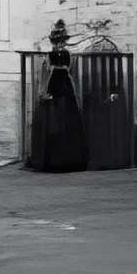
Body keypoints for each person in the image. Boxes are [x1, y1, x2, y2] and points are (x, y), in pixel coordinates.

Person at [27, 20, 89, 173]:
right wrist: (44, 92)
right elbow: (46, 73)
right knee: (54, 121)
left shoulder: (68, 55)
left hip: (65, 88)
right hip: (54, 86)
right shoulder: (50, 56)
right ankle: (53, 160)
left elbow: (70, 71)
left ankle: (69, 159)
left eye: (62, 41)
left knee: (67, 120)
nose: (60, 44)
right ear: (54, 42)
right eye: (57, 41)